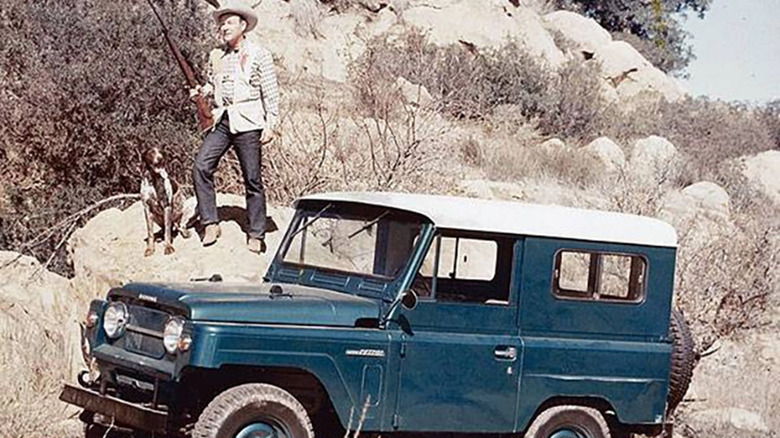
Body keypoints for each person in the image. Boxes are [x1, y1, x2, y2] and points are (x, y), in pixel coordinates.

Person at [190, 0, 279, 253]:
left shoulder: (260, 54)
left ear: (243, 25)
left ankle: (256, 233)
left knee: (252, 179)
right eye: (221, 23)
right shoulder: (217, 55)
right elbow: (211, 84)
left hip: (250, 121)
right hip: (223, 120)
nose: (224, 27)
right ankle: (210, 222)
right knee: (201, 166)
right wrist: (200, 92)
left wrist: (271, 124)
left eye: (229, 22)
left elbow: (270, 92)